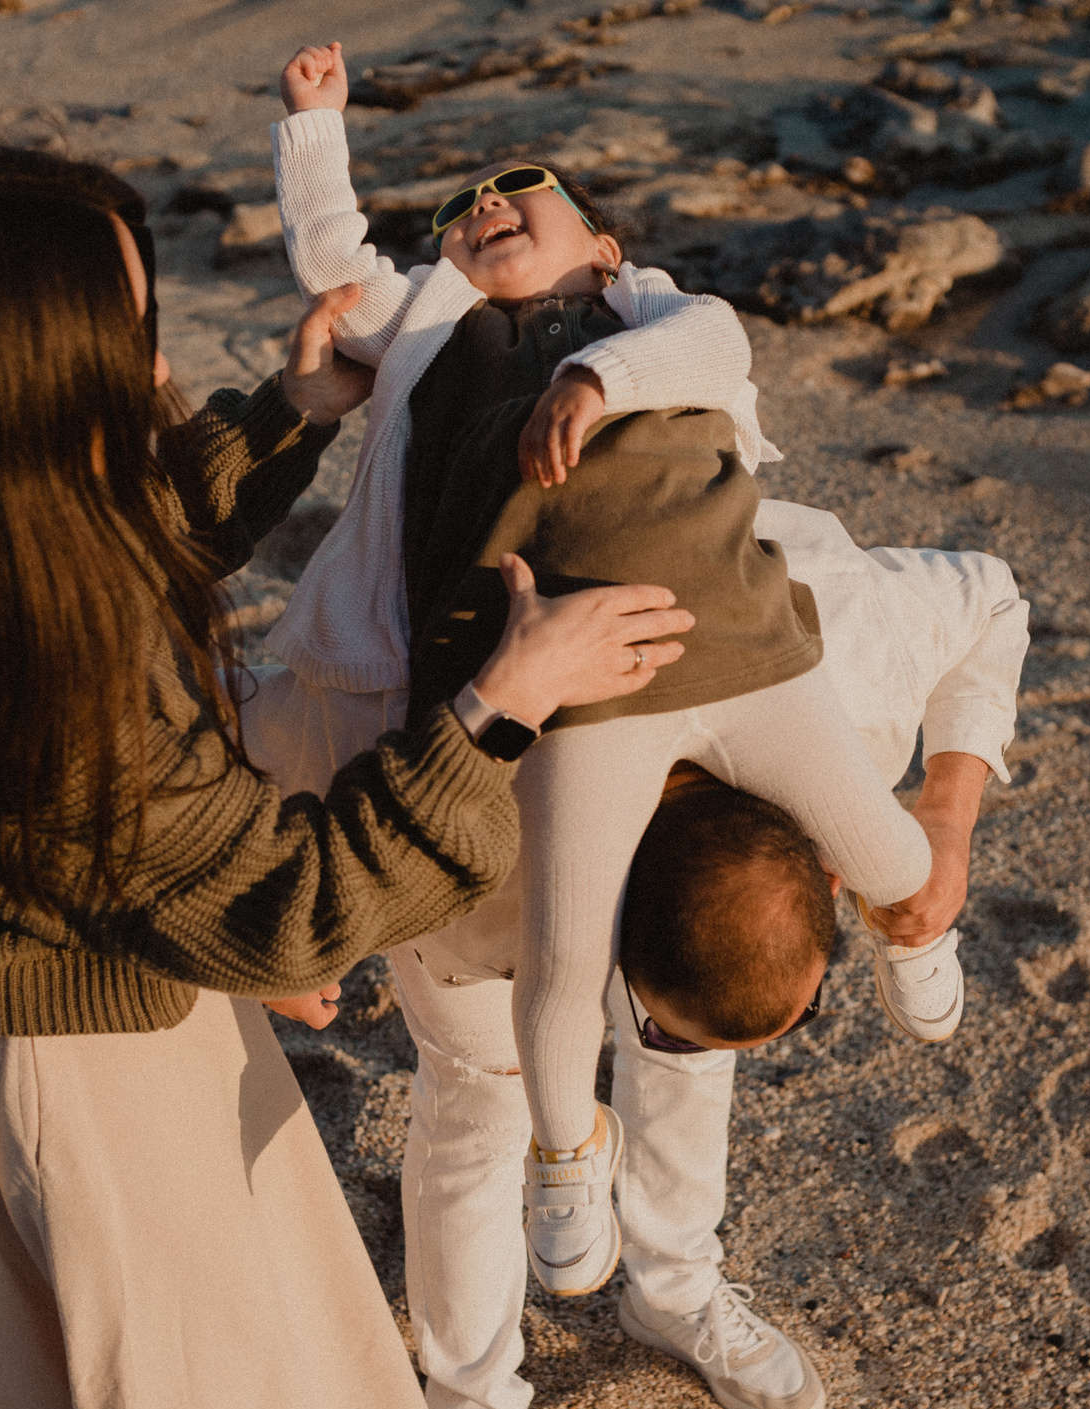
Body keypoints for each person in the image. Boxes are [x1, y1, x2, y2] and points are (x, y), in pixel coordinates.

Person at [0, 142, 694, 1409]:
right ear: (22, 385)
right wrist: (498, 706)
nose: (155, 365)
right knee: (175, 1359)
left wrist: (289, 415)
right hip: (81, 1065)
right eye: (126, 345)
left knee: (145, 1323)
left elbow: (120, 535)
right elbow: (297, 909)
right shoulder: (64, 674)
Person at [236, 502, 1027, 1409]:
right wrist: (266, 951)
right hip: (482, 778)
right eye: (643, 1016)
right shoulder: (457, 846)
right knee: (477, 1119)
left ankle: (677, 1285)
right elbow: (248, 742)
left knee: (694, 1050)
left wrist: (942, 819)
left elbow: (990, 595)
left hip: (689, 581)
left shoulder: (845, 657)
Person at [263, 42, 964, 1282]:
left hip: (740, 643)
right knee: (564, 955)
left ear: (599, 244)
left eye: (518, 186)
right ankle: (563, 1158)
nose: (481, 209)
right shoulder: (432, 329)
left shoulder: (646, 311)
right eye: (458, 216)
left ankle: (915, 944)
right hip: (576, 685)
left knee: (891, 854)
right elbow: (335, 269)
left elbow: (723, 345)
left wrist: (596, 375)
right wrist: (315, 126)